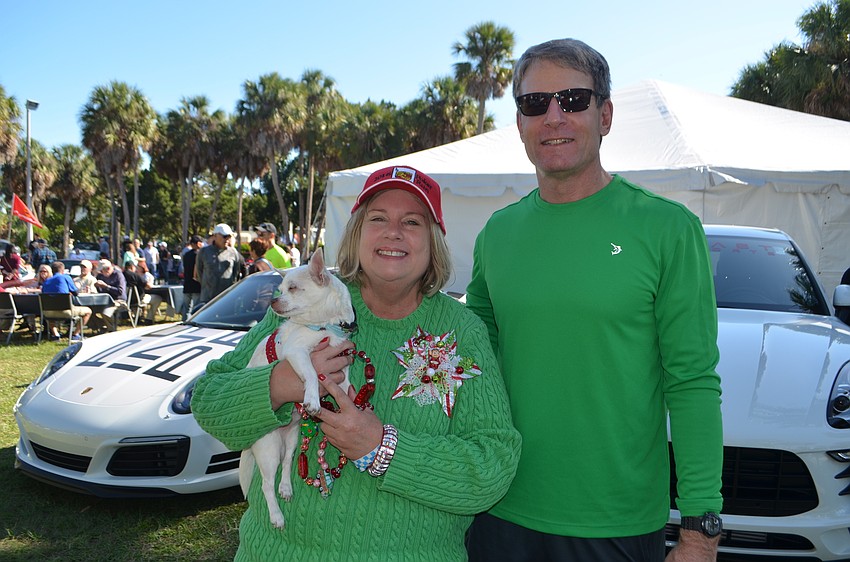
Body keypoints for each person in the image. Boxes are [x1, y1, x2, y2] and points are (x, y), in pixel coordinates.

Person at [465, 39, 723, 562]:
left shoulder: (667, 229)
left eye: (573, 100)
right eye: (535, 103)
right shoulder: (497, 234)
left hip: (616, 523)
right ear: (519, 124)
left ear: (604, 115)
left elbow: (693, 381)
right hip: (495, 509)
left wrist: (699, 530)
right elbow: (469, 360)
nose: (554, 116)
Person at [191, 165, 521, 561]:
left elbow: (493, 466)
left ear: (433, 241)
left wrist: (382, 448)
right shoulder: (307, 304)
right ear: (356, 235)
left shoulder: (461, 331)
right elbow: (209, 403)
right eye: (377, 218)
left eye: (412, 221)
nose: (393, 231)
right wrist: (285, 382)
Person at [194, 223, 246, 306]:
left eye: (229, 236)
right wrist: (208, 284)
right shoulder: (203, 252)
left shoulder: (233, 253)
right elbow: (199, 272)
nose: (227, 239)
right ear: (215, 236)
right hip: (208, 298)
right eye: (224, 236)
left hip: (227, 298)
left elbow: (235, 274)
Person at [41, 261, 91, 341]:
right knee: (88, 311)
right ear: (62, 270)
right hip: (65, 311)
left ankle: (55, 335)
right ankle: (75, 334)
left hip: (48, 312)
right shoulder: (65, 277)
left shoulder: (46, 281)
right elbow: (75, 292)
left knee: (50, 311)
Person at [91, 259, 127, 332]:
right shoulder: (100, 276)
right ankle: (103, 325)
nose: (100, 272)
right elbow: (100, 291)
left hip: (118, 300)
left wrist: (106, 286)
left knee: (106, 312)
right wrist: (96, 287)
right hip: (103, 301)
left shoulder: (118, 275)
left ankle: (111, 330)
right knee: (89, 311)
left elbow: (120, 292)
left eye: (102, 270)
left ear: (108, 269)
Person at [181, 235, 204, 320]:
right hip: (196, 284)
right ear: (197, 243)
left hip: (187, 283)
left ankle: (185, 321)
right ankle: (194, 320)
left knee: (186, 307)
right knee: (196, 306)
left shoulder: (186, 254)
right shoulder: (199, 255)